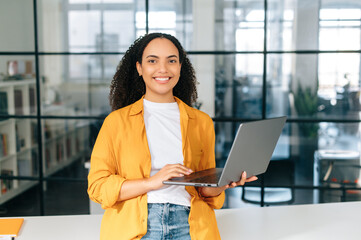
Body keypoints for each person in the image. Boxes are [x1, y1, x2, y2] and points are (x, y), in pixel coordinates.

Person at [87, 32, 257, 240]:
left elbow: (204, 190)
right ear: (140, 68)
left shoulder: (201, 122)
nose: (163, 69)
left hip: (190, 226)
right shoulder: (116, 122)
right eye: (152, 61)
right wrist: (152, 182)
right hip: (136, 229)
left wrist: (225, 182)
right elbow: (98, 186)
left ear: (180, 67)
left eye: (172, 61)